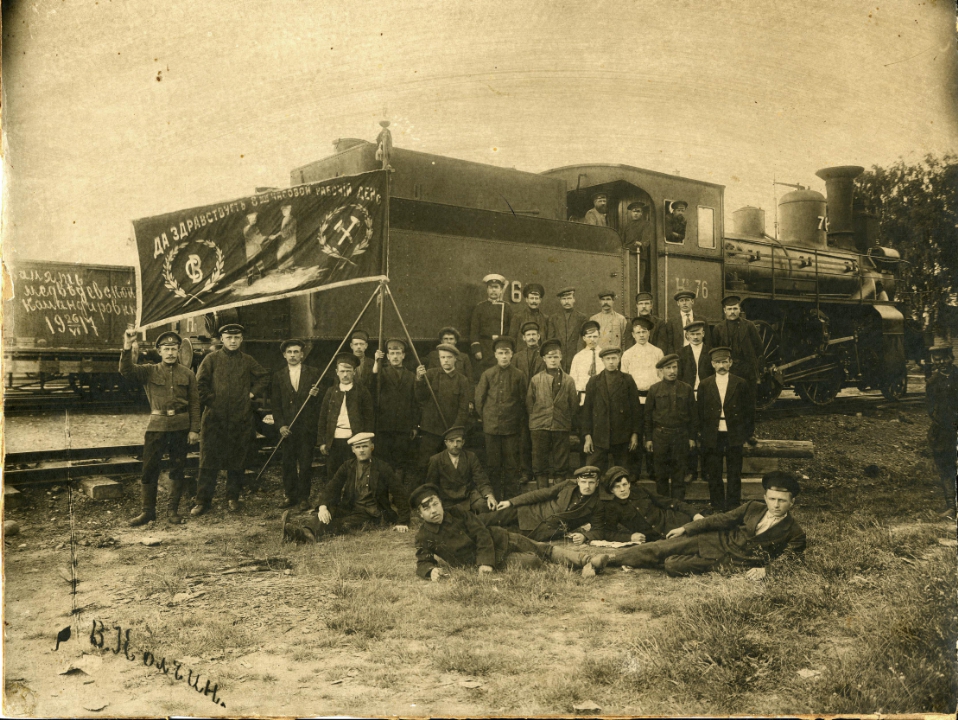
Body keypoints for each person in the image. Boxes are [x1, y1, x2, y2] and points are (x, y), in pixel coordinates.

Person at [605, 471, 806, 579]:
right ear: (765, 497)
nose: (776, 505)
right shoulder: (753, 507)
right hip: (713, 540)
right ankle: (608, 559)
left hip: (729, 562)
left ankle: (638, 561)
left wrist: (765, 571)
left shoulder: (795, 532)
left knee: (672, 566)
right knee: (662, 547)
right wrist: (686, 528)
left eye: (782, 500)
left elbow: (791, 560)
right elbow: (721, 519)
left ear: (792, 502)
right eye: (772, 499)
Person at [410, 484, 611, 580]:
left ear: (440, 502)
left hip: (500, 539)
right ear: (420, 514)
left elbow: (481, 534)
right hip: (495, 559)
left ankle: (588, 561)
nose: (433, 511)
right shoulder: (423, 536)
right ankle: (579, 568)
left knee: (544, 549)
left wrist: (485, 563)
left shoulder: (458, 513)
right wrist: (430, 571)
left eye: (435, 504)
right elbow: (423, 561)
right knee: (533, 562)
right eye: (426, 508)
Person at [119, 329, 200, 526]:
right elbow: (126, 371)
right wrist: (127, 346)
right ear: (159, 351)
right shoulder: (149, 371)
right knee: (149, 468)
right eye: (166, 349)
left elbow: (195, 404)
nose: (170, 353)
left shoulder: (188, 374)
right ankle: (147, 512)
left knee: (177, 468)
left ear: (179, 351)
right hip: (157, 426)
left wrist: (194, 430)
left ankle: (173, 511)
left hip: (180, 427)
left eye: (174, 349)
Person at [192, 324, 270, 516]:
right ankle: (202, 501)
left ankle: (232, 498)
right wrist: (213, 400)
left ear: (241, 339)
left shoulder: (247, 360)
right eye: (229, 337)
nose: (233, 341)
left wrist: (251, 394)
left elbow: (264, 377)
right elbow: (199, 384)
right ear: (222, 339)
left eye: (236, 338)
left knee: (237, 459)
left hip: (239, 417)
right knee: (208, 459)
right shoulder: (211, 359)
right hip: (214, 418)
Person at [281, 433, 409, 543]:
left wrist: (403, 521)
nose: (361, 450)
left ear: (372, 447)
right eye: (358, 447)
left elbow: (399, 493)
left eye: (365, 446)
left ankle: (302, 534)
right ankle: (305, 532)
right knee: (329, 511)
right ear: (353, 450)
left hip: (372, 512)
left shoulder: (382, 467)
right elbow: (332, 486)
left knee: (345, 523)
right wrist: (323, 507)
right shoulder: (348, 466)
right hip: (350, 507)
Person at [479, 466, 604, 544]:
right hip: (530, 511)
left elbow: (599, 529)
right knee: (486, 519)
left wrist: (585, 536)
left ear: (597, 483)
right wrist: (511, 502)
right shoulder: (568, 485)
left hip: (543, 530)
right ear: (578, 481)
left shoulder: (597, 503)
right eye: (584, 482)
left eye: (591, 482)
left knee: (498, 535)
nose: (587, 486)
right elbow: (541, 494)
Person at [697, 347, 755, 512]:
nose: (721, 366)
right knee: (714, 470)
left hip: (734, 433)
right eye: (718, 362)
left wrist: (748, 433)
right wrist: (701, 433)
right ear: (712, 364)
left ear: (730, 363)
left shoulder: (740, 383)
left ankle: (733, 505)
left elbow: (749, 411)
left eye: (724, 362)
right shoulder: (705, 384)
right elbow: (699, 411)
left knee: (734, 471)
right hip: (713, 433)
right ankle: (717, 504)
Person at [270, 339, 321, 510]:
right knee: (288, 463)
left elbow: (321, 401)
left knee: (305, 463)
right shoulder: (278, 376)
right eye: (289, 352)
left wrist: (316, 393)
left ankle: (304, 498)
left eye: (296, 352)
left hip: (306, 427)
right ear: (284, 355)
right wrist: (281, 426)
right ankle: (290, 496)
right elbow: (276, 405)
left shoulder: (314, 373)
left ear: (302, 355)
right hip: (288, 428)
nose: (293, 355)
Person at [474, 336, 527, 499]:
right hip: (491, 428)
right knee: (493, 465)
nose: (504, 356)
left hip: (511, 428)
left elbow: (523, 401)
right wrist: (487, 418)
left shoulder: (519, 375)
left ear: (512, 354)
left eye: (507, 353)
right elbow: (479, 400)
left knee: (511, 466)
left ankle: (511, 501)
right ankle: (495, 500)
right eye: (500, 353)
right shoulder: (488, 374)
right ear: (495, 355)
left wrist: (516, 420)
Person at [591, 466, 704, 543]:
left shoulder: (640, 491)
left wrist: (695, 514)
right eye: (617, 487)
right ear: (611, 490)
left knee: (707, 527)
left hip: (676, 521)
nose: (622, 489)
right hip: (658, 540)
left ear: (629, 484)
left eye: (624, 484)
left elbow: (671, 502)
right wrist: (630, 537)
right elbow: (608, 532)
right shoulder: (612, 507)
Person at [317, 353, 375, 487]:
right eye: (342, 371)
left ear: (354, 372)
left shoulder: (362, 392)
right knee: (333, 475)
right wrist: (322, 442)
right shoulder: (331, 392)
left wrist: (366, 441)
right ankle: (333, 498)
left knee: (353, 475)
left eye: (348, 371)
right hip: (334, 440)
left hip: (354, 440)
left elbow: (369, 418)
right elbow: (323, 418)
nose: (345, 375)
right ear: (337, 372)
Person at [644, 354, 698, 499]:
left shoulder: (686, 389)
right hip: (660, 436)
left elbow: (693, 416)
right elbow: (647, 416)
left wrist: (692, 437)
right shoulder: (654, 389)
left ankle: (677, 506)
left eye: (674, 367)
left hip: (680, 436)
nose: (672, 371)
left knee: (679, 474)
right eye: (668, 368)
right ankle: (663, 506)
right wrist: (648, 438)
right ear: (661, 371)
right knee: (661, 474)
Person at [527, 339, 578, 489]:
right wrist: (537, 418)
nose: (553, 360)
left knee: (561, 462)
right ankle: (542, 493)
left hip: (561, 425)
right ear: (544, 359)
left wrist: (566, 420)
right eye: (549, 357)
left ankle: (559, 493)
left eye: (556, 356)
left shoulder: (568, 381)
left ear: (561, 357)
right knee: (539, 461)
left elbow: (573, 405)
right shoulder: (536, 379)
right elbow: (529, 403)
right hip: (539, 426)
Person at [581, 347, 642, 473]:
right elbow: (587, 411)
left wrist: (635, 433)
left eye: (614, 358)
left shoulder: (627, 380)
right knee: (591, 472)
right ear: (602, 361)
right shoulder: (594, 381)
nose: (611, 362)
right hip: (599, 437)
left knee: (623, 473)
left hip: (622, 436)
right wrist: (587, 436)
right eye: (607, 359)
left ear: (619, 359)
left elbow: (636, 409)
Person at [371, 338, 419, 495]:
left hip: (403, 426)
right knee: (384, 460)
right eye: (392, 353)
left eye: (398, 353)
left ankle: (397, 493)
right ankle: (383, 492)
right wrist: (376, 362)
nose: (395, 357)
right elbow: (373, 384)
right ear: (388, 356)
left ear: (403, 355)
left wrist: (414, 425)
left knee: (400, 461)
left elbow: (414, 402)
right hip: (384, 425)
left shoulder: (410, 376)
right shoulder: (381, 373)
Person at [710, 296, 763, 438]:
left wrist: (751, 364)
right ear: (724, 311)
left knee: (748, 403)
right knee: (729, 402)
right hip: (728, 370)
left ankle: (749, 433)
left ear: (739, 310)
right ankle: (731, 434)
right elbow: (715, 349)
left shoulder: (749, 326)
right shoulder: (718, 328)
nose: (732, 312)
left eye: (735, 308)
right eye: (729, 309)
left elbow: (758, 347)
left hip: (746, 370)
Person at [415, 343, 472, 473]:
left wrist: (454, 431)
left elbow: (463, 409)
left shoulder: (462, 380)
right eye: (442, 357)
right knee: (425, 464)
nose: (446, 360)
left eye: (449, 357)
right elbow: (420, 397)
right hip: (430, 430)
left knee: (447, 466)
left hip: (450, 430)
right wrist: (419, 379)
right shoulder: (430, 374)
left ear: (455, 359)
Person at [620, 316, 664, 479]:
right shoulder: (627, 354)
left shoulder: (657, 352)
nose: (641, 335)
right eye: (638, 332)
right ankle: (635, 471)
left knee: (652, 432)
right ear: (633, 335)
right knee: (636, 432)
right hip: (635, 399)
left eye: (644, 332)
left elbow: (661, 376)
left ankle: (654, 470)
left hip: (653, 398)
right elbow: (624, 379)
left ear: (649, 333)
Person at [425, 426, 496, 513]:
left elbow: (481, 480)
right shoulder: (436, 460)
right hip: (447, 499)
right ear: (446, 443)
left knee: (483, 505)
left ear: (463, 442)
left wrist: (489, 495)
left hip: (468, 496)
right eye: (451, 441)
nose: (455, 444)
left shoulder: (470, 457)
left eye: (458, 441)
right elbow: (431, 485)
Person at [925, 341, 958, 519]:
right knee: (946, 466)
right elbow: (931, 409)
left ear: (950, 358)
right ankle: (951, 507)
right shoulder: (933, 381)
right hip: (944, 430)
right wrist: (943, 423)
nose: (940, 363)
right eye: (936, 360)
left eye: (943, 359)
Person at [470, 273, 513, 379]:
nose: (493, 290)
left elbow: (512, 329)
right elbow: (474, 329)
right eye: (491, 287)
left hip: (501, 346)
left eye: (496, 287)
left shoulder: (507, 307)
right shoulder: (480, 307)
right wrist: (477, 349)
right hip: (485, 347)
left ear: (501, 290)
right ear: (487, 290)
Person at [548, 286, 588, 372]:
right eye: (564, 299)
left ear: (574, 299)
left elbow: (583, 340)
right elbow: (551, 341)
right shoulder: (553, 318)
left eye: (569, 298)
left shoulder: (581, 318)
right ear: (560, 301)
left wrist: (579, 357)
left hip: (576, 358)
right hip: (559, 359)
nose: (566, 301)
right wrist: (555, 357)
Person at [656, 290, 707, 356]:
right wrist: (674, 358)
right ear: (678, 303)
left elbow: (707, 341)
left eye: (687, 300)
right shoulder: (672, 321)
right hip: (679, 356)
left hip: (697, 354)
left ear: (692, 301)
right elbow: (669, 344)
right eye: (681, 301)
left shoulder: (702, 320)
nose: (684, 303)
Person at [569, 320, 603, 405]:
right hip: (583, 398)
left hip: (602, 397)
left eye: (595, 336)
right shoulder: (578, 357)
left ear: (599, 336)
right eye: (589, 336)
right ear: (584, 338)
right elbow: (573, 380)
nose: (592, 339)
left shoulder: (604, 355)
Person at [677, 320, 713, 399]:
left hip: (707, 393)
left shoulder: (711, 352)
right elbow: (679, 376)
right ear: (687, 335)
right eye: (692, 334)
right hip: (687, 394)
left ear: (703, 334)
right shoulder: (681, 353)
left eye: (698, 334)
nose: (695, 337)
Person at [623, 201, 651, 291]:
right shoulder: (627, 226)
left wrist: (641, 243)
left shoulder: (646, 224)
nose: (635, 214)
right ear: (631, 213)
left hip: (639, 256)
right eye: (634, 211)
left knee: (639, 280)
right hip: (627, 255)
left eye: (638, 211)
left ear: (641, 213)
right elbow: (623, 240)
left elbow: (646, 240)